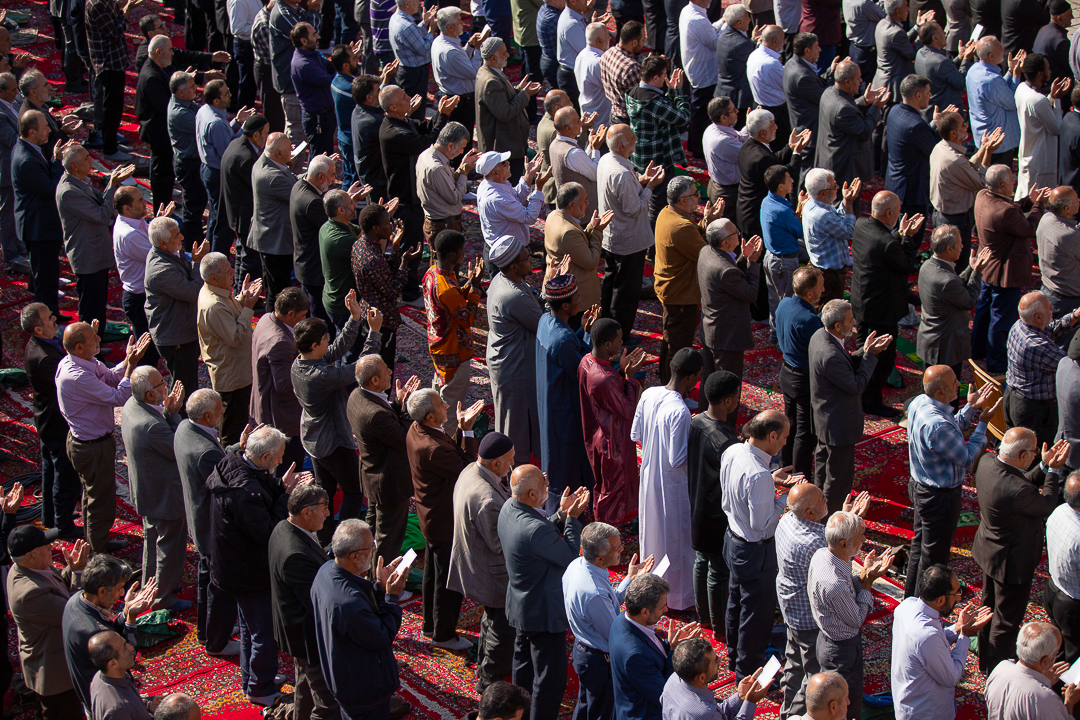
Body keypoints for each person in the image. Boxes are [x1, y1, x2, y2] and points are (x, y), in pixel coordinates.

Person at [206, 425, 312, 705]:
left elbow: (261, 499)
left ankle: (251, 680)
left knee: (249, 628)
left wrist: (280, 486)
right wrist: (287, 496)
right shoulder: (246, 493)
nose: (281, 461)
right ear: (264, 457)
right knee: (264, 632)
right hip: (249, 572)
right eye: (277, 457)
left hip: (235, 566)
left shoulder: (233, 464)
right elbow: (267, 530)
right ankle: (260, 688)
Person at [973, 428, 1067, 674]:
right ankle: (996, 672)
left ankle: (985, 660)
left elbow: (1020, 481)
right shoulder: (1017, 490)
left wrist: (1044, 466)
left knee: (987, 609)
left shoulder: (988, 461)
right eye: (1034, 453)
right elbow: (1045, 505)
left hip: (990, 551)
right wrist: (1054, 471)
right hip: (1012, 563)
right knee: (1005, 621)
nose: (1036, 455)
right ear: (1023, 456)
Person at [497, 465, 587, 720]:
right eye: (544, 485)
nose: (548, 486)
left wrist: (560, 515)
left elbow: (538, 538)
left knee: (523, 667)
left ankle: (518, 714)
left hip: (522, 606)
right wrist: (572, 519)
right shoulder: (536, 530)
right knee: (550, 680)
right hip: (543, 613)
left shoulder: (509, 507)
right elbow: (569, 556)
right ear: (532, 495)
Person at [57, 323, 151, 554]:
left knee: (93, 496)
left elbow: (109, 377)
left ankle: (95, 542)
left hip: (89, 443)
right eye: (94, 337)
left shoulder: (81, 362)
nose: (99, 339)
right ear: (79, 347)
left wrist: (128, 361)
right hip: (92, 447)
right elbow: (119, 396)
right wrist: (131, 368)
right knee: (100, 501)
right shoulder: (77, 376)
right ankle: (99, 554)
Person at [905, 359, 995, 596]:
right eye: (955, 383)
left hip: (922, 487)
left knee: (920, 548)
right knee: (933, 557)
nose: (960, 385)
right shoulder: (937, 425)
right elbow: (966, 457)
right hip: (938, 498)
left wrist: (970, 408)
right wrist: (982, 425)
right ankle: (926, 603)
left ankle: (910, 598)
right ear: (940, 392)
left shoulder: (919, 402)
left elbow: (950, 427)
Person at [776, 484, 866, 718]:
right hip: (808, 618)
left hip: (790, 607)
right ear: (809, 513)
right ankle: (799, 714)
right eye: (823, 501)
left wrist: (844, 518)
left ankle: (787, 713)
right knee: (812, 679)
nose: (827, 501)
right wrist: (850, 524)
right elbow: (839, 552)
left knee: (793, 665)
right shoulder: (815, 543)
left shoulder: (786, 520)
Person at [293, 299, 379, 542]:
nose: (328, 341)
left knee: (325, 492)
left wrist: (354, 319)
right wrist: (374, 333)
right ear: (314, 345)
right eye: (324, 339)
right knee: (354, 491)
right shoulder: (320, 376)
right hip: (332, 442)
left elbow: (335, 350)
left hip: (314, 438)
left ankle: (324, 539)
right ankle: (344, 540)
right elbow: (360, 369)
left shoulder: (301, 362)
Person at [310, 520, 411, 720]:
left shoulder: (326, 570)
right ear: (354, 556)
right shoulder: (349, 604)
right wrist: (391, 598)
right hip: (363, 691)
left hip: (345, 679)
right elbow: (382, 636)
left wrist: (379, 587)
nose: (374, 551)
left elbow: (361, 603)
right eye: (371, 547)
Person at [405, 388, 482, 648]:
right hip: (444, 522)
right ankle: (444, 634)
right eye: (440, 404)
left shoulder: (417, 430)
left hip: (431, 517)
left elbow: (450, 451)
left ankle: (430, 624)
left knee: (433, 574)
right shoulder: (432, 449)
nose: (446, 406)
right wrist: (467, 432)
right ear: (429, 416)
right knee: (449, 581)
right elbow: (467, 469)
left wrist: (460, 429)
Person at [719, 409, 793, 678]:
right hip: (754, 550)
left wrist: (770, 481)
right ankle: (748, 672)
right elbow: (762, 524)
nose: (785, 442)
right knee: (756, 614)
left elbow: (740, 490)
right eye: (783, 437)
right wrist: (785, 499)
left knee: (736, 602)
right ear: (771, 436)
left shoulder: (733, 450)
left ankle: (734, 656)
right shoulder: (759, 475)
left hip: (733, 540)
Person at [633, 347, 702, 614]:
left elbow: (636, 434)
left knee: (653, 534)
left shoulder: (649, 394)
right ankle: (678, 599)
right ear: (692, 377)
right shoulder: (680, 411)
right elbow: (678, 458)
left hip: (650, 474)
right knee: (676, 541)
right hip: (672, 486)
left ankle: (653, 591)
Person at [173, 389, 241, 655]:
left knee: (207, 581)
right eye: (220, 408)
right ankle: (217, 641)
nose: (224, 410)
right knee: (220, 588)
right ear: (208, 416)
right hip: (212, 528)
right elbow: (228, 481)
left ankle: (206, 631)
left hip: (199, 523)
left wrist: (237, 448)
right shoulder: (205, 453)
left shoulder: (184, 428)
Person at [806, 512, 894, 720]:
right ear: (844, 543)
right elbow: (856, 619)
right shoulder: (834, 584)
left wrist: (863, 574)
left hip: (830, 642)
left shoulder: (824, 554)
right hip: (841, 650)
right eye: (859, 536)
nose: (864, 539)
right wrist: (869, 580)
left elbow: (847, 589)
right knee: (845, 705)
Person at [447, 432, 517, 693]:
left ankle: (485, 666)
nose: (512, 464)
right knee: (501, 627)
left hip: (477, 563)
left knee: (491, 619)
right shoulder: (487, 499)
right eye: (510, 459)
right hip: (493, 573)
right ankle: (489, 681)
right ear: (495, 463)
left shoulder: (471, 471)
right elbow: (499, 544)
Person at [562, 523, 653, 720]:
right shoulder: (594, 592)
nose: (622, 549)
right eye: (617, 548)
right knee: (601, 712)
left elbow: (610, 601)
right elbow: (615, 633)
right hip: (598, 662)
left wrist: (630, 579)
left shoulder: (577, 565)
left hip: (585, 651)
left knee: (586, 706)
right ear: (601, 558)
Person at [808, 300, 891, 513]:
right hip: (838, 424)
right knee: (838, 479)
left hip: (825, 418)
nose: (855, 322)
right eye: (850, 319)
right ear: (837, 326)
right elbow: (856, 385)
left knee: (822, 469)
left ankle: (817, 507)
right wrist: (871, 356)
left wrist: (864, 350)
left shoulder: (820, 336)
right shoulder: (830, 354)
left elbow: (844, 365)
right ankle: (830, 517)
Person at [849, 190, 924, 418]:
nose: (899, 215)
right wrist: (907, 238)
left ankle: (856, 385)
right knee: (882, 356)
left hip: (862, 300)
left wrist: (899, 234)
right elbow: (906, 265)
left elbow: (885, 250)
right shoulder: (888, 243)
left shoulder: (862, 224)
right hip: (881, 309)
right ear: (890, 213)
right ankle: (870, 400)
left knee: (862, 347)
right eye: (898, 212)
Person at [120, 367, 189, 612]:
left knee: (153, 542)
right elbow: (179, 448)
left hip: (148, 490)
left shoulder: (131, 405)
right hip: (164, 496)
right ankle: (163, 598)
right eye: (161, 383)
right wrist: (174, 414)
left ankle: (151, 587)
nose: (166, 386)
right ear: (149, 395)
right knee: (170, 547)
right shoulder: (151, 426)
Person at [380, 89, 458, 302]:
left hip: (411, 195)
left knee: (414, 243)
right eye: (404, 98)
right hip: (406, 199)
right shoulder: (394, 132)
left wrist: (440, 114)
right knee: (410, 246)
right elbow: (426, 141)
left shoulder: (402, 122)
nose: (409, 99)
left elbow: (422, 128)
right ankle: (408, 292)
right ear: (393, 107)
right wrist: (442, 116)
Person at [267, 484, 337, 720]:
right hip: (308, 635)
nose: (328, 513)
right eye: (324, 508)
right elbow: (316, 602)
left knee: (304, 687)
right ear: (306, 512)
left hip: (298, 631)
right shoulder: (295, 554)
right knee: (326, 700)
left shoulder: (284, 527)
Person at [971, 165, 1048, 375]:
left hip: (987, 267)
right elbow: (1028, 228)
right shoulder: (1006, 212)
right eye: (1012, 180)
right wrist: (1039, 205)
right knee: (1001, 321)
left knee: (983, 311)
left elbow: (1009, 211)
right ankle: (996, 365)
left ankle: (977, 350)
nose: (1014, 182)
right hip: (1005, 273)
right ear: (1003, 185)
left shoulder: (982, 195)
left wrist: (1028, 201)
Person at [890, 564, 993, 720]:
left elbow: (931, 645)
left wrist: (957, 628)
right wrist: (965, 636)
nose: (959, 598)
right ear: (941, 600)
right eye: (956, 593)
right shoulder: (926, 636)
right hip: (926, 713)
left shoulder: (907, 605)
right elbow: (951, 677)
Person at [347, 351, 419, 569]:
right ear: (375, 380)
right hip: (389, 484)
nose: (390, 371)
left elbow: (386, 427)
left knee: (371, 528)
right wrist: (406, 407)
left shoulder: (356, 395)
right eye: (385, 370)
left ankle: (365, 569)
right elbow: (405, 438)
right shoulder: (375, 415)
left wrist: (397, 403)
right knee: (389, 538)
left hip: (372, 476)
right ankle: (381, 579)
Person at [7, 525, 88, 720]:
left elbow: (58, 589)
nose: (51, 547)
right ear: (30, 556)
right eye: (45, 546)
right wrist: (78, 575)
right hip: (53, 672)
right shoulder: (29, 594)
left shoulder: (34, 567)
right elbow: (74, 612)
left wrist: (72, 570)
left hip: (55, 660)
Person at [62, 555, 157, 709]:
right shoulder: (95, 634)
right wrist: (131, 618)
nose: (122, 593)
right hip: (112, 703)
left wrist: (126, 611)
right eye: (119, 588)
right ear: (101, 591)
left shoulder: (76, 599)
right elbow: (127, 658)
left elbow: (110, 630)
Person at [597, 124, 663, 342]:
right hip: (629, 241)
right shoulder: (623, 174)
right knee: (626, 291)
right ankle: (620, 336)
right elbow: (634, 208)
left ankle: (605, 326)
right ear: (623, 146)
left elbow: (622, 193)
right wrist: (650, 187)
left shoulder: (607, 159)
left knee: (611, 283)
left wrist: (641, 180)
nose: (636, 139)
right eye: (632, 137)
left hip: (613, 236)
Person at [687, 370, 741, 634]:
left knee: (701, 561)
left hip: (697, 504)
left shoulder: (697, 421)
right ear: (729, 401)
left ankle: (704, 618)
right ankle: (720, 628)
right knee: (718, 570)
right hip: (716, 515)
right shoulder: (725, 441)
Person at [536, 273, 596, 506]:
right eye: (577, 297)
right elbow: (583, 372)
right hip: (564, 412)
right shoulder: (562, 339)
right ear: (566, 306)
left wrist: (582, 331)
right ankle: (566, 515)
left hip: (551, 403)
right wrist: (589, 337)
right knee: (566, 468)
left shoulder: (545, 321)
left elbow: (570, 349)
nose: (581, 301)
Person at [21, 304, 80, 537]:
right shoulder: (45, 358)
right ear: (38, 329)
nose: (54, 318)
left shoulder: (40, 346)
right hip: (56, 422)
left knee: (50, 469)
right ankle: (64, 526)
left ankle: (51, 517)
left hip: (46, 419)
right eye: (49, 318)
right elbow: (71, 384)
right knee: (64, 474)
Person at [579, 318, 645, 524]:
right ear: (607, 344)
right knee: (611, 491)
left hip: (597, 432)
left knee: (603, 485)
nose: (622, 343)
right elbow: (627, 410)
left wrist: (621, 372)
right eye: (619, 340)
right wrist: (630, 378)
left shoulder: (586, 361)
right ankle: (604, 532)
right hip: (611, 441)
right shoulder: (604, 378)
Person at [609, 573, 702, 720]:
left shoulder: (623, 619)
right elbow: (664, 693)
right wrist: (675, 653)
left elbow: (652, 653)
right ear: (645, 611)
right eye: (662, 606)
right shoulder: (634, 655)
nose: (666, 610)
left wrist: (670, 645)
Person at [55, 145, 127, 330]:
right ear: (74, 166)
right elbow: (102, 215)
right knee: (90, 310)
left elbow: (100, 203)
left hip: (95, 253)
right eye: (86, 158)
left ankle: (97, 340)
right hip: (87, 257)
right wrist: (112, 186)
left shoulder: (79, 181)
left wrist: (111, 185)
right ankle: (89, 343)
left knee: (98, 305)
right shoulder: (69, 192)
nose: (92, 161)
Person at [655, 177, 718, 383]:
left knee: (670, 338)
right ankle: (673, 386)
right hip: (680, 294)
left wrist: (706, 221)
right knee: (679, 346)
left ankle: (666, 380)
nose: (699, 197)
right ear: (683, 200)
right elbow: (705, 253)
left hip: (673, 290)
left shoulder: (667, 213)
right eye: (695, 194)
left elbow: (693, 238)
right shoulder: (681, 226)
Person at [197, 252, 263, 445]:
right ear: (213, 278)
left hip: (236, 370)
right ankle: (230, 459)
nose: (233, 272)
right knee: (232, 429)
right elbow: (235, 338)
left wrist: (242, 298)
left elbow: (231, 313)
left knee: (238, 421)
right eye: (227, 271)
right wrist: (248, 307)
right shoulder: (213, 305)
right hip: (232, 375)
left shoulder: (217, 292)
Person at [423, 235, 483, 432]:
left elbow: (452, 302)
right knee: (448, 415)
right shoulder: (446, 288)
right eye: (461, 251)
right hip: (454, 355)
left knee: (438, 400)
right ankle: (445, 446)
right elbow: (467, 319)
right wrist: (475, 289)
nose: (464, 254)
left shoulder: (431, 274)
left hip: (439, 349)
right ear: (452, 255)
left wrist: (468, 284)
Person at [353, 203, 422, 372]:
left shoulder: (360, 245)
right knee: (383, 367)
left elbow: (384, 274)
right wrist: (404, 264)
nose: (391, 226)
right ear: (376, 228)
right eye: (387, 223)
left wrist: (396, 248)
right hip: (382, 320)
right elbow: (392, 291)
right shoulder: (373, 259)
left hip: (369, 313)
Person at [929, 112, 1001, 272]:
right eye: (963, 125)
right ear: (953, 133)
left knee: (945, 262)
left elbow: (966, 168)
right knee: (958, 265)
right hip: (955, 219)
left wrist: (983, 148)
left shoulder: (941, 147)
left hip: (942, 214)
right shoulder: (953, 160)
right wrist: (988, 152)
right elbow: (981, 182)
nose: (966, 126)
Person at [145, 216, 206, 401]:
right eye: (176, 235)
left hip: (179, 330)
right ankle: (181, 417)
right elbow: (193, 291)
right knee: (184, 387)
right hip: (176, 337)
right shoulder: (161, 270)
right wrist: (197, 263)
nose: (182, 238)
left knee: (185, 380)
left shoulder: (166, 253)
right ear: (163, 244)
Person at [1005, 292, 1079, 445]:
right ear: (1038, 317)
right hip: (1033, 410)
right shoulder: (1035, 346)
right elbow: (1070, 365)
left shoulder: (1020, 325)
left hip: (1016, 399)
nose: (1052, 307)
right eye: (1048, 307)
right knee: (1035, 451)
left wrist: (1074, 316)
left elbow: (1049, 330)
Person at [251, 286, 310, 473]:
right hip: (283, 417)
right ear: (291, 314)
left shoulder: (266, 318)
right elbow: (283, 384)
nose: (304, 320)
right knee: (286, 466)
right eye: (302, 315)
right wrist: (309, 368)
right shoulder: (281, 342)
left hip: (264, 404)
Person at [626, 56, 690, 227]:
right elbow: (683, 117)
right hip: (658, 161)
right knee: (657, 205)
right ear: (655, 78)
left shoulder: (633, 93)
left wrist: (670, 92)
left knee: (645, 196)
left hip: (639, 156)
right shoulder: (655, 103)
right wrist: (678, 92)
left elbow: (663, 111)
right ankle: (653, 239)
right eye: (663, 75)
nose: (665, 78)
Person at [12, 111, 65, 313]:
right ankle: (48, 318)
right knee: (46, 278)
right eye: (45, 127)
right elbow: (51, 188)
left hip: (41, 223)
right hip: (39, 227)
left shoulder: (29, 148)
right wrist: (58, 161)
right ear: (32, 132)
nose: (49, 130)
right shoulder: (26, 160)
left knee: (43, 272)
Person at [698, 218, 763, 381]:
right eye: (735, 232)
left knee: (709, 379)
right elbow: (750, 294)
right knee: (727, 384)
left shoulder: (706, 251)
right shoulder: (725, 270)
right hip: (726, 337)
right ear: (725, 242)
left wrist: (743, 258)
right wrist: (752, 263)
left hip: (711, 329)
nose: (739, 234)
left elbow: (729, 279)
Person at [775, 268, 824, 476]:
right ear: (810, 294)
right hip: (803, 380)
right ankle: (800, 476)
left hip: (786, 373)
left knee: (790, 425)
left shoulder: (784, 304)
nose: (823, 290)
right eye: (821, 287)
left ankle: (785, 466)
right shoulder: (809, 320)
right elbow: (820, 347)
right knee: (805, 432)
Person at [196, 80, 255, 255]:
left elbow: (222, 137)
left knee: (215, 217)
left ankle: (210, 253)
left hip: (208, 168)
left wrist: (236, 122)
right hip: (217, 174)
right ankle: (217, 258)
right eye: (226, 94)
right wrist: (244, 130)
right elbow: (229, 153)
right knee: (223, 222)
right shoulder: (217, 123)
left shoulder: (204, 110)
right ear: (216, 100)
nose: (230, 95)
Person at [736, 109, 809, 240]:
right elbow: (787, 181)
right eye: (773, 125)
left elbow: (775, 161)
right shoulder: (762, 158)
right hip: (755, 217)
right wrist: (797, 152)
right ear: (763, 133)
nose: (776, 127)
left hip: (745, 211)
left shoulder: (748, 146)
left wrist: (790, 147)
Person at [984, 622, 1080, 719]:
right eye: (1056, 653)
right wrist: (1069, 702)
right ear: (1044, 661)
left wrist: (1043, 682)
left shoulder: (1000, 668)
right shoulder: (1046, 700)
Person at [661, 638, 771, 720]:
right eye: (715, 660)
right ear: (702, 677)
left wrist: (740, 697)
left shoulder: (674, 679)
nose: (720, 661)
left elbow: (718, 714)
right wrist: (750, 702)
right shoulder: (704, 714)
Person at [816, 60, 887, 188]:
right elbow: (864, 131)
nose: (861, 81)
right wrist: (876, 107)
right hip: (844, 170)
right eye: (858, 78)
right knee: (846, 199)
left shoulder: (829, 92)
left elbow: (847, 113)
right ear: (848, 82)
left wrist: (864, 101)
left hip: (831, 160)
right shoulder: (843, 108)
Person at [476, 38, 539, 179]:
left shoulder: (490, 71)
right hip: (504, 146)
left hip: (506, 142)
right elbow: (505, 113)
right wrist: (525, 95)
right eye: (504, 53)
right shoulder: (490, 81)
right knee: (509, 184)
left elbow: (501, 97)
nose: (508, 55)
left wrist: (518, 90)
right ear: (493, 58)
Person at [249, 133, 300, 309]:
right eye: (288, 148)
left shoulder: (264, 161)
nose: (292, 150)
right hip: (275, 241)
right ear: (278, 153)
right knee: (278, 291)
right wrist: (316, 175)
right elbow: (298, 193)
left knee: (272, 286)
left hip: (268, 236)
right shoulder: (273, 177)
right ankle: (275, 321)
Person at [291, 156, 343, 328]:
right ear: (321, 177)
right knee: (319, 322)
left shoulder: (299, 185)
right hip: (314, 270)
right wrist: (346, 205)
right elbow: (335, 226)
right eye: (332, 175)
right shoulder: (312, 201)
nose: (334, 180)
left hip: (304, 264)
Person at [112, 188, 160, 370]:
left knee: (151, 347)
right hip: (139, 299)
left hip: (141, 295)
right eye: (140, 200)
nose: (145, 203)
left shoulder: (135, 222)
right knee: (147, 353)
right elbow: (159, 255)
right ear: (126, 208)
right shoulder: (129, 234)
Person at [269, 0, 320, 169]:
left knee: (301, 130)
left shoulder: (293, 9)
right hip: (291, 84)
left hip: (297, 80)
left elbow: (314, 34)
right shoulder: (282, 14)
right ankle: (290, 173)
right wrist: (313, 10)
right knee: (296, 132)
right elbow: (309, 37)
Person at [84, 0, 136, 161]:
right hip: (108, 64)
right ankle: (110, 148)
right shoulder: (97, 5)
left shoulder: (105, 2)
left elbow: (115, 18)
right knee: (111, 109)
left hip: (116, 61)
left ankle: (112, 141)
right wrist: (127, 10)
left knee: (116, 107)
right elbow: (114, 32)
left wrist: (122, 8)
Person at [547, 182, 609, 315]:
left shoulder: (554, 216)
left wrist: (591, 227)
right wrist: (597, 232)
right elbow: (591, 262)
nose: (587, 203)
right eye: (584, 201)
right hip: (577, 299)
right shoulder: (568, 232)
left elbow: (577, 244)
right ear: (572, 205)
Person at [477, 151, 547, 269]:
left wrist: (529, 174)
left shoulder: (491, 184)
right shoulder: (497, 198)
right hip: (506, 256)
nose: (509, 163)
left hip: (505, 250)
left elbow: (516, 197)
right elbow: (529, 217)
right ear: (495, 173)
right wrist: (538, 188)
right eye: (504, 163)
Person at [1018, 53, 1070, 202]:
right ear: (1040, 73)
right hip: (1042, 161)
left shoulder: (1021, 89)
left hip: (1028, 155)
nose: (1050, 72)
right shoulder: (1039, 100)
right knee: (1040, 202)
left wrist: (1051, 97)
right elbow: (1056, 129)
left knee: (1026, 197)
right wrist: (1057, 100)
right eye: (1047, 69)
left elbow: (1039, 111)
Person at [884, 75, 938, 219]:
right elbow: (935, 152)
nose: (930, 96)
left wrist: (934, 124)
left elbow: (915, 138)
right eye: (928, 92)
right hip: (912, 193)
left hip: (895, 183)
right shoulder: (916, 125)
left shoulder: (895, 110)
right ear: (918, 95)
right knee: (912, 231)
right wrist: (942, 129)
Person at [783, 34, 837, 175]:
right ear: (807, 51)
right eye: (817, 47)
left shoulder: (792, 64)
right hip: (809, 131)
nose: (820, 49)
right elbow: (824, 98)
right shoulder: (802, 75)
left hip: (802, 126)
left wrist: (830, 71)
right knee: (807, 172)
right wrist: (833, 77)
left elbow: (816, 84)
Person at [802, 170, 857, 305]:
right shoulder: (822, 215)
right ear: (823, 193)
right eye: (834, 186)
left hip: (823, 268)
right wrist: (849, 203)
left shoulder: (812, 204)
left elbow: (837, 218)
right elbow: (849, 232)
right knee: (830, 310)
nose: (837, 188)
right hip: (830, 274)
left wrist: (845, 201)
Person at [760, 166, 803, 340]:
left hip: (771, 258)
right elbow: (799, 231)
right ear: (780, 186)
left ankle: (776, 333)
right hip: (784, 262)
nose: (792, 181)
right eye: (788, 179)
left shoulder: (767, 201)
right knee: (787, 302)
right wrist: (801, 208)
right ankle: (784, 339)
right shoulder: (783, 210)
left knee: (775, 299)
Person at [168, 72, 210, 249]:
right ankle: (192, 244)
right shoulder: (180, 114)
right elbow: (206, 127)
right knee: (193, 206)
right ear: (180, 92)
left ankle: (194, 235)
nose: (196, 89)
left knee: (196, 203)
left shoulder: (186, 103)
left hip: (192, 161)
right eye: (192, 87)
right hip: (189, 164)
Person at [417, 122, 477, 243]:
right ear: (450, 146)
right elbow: (455, 197)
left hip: (440, 223)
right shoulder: (436, 168)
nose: (461, 152)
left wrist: (461, 167)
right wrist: (465, 172)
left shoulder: (427, 154)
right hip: (443, 225)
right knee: (448, 255)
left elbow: (448, 182)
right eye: (461, 148)